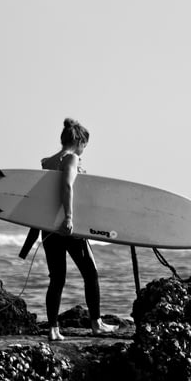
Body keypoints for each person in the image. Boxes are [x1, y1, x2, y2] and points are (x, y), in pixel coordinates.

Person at [40, 118, 117, 341]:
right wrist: (70, 217)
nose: (85, 150)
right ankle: (96, 324)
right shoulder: (71, 158)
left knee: (57, 278)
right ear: (80, 141)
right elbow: (66, 186)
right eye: (85, 145)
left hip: (48, 228)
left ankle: (53, 329)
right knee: (91, 274)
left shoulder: (47, 162)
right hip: (69, 228)